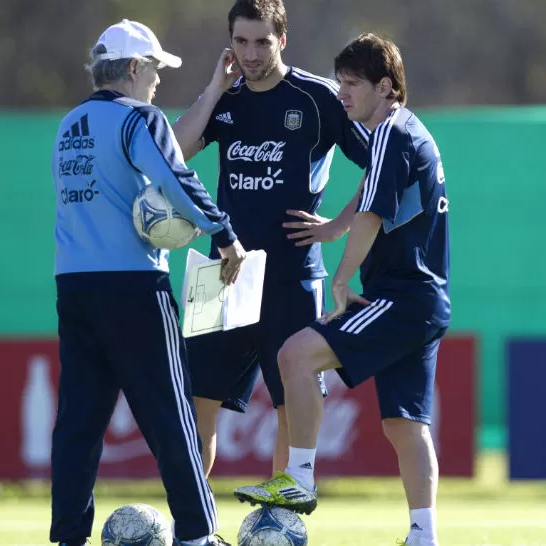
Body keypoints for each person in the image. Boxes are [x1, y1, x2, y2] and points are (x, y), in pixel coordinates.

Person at [233, 33, 451, 546]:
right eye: (339, 84)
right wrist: (332, 228)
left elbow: (375, 212)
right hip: (424, 300)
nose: (342, 94)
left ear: (385, 86)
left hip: (401, 297)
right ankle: (424, 536)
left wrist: (340, 277)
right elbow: (372, 192)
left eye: (352, 85)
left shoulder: (393, 133)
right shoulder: (398, 133)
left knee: (295, 357)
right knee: (405, 425)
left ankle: (300, 479)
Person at [50, 19, 247, 546]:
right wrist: (223, 232)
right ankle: (198, 534)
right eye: (155, 69)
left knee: (78, 425)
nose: (158, 81)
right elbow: (176, 177)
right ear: (134, 68)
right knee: (169, 414)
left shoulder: (70, 124)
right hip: (134, 287)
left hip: (73, 287)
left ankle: (68, 536)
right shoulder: (140, 118)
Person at [172, 0, 370, 478]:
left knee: (290, 405)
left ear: (282, 40)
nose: (251, 53)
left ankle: (280, 522)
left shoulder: (318, 99)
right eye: (241, 41)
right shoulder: (227, 98)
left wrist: (337, 226)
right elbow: (171, 154)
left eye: (262, 41)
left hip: (292, 278)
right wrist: (216, 87)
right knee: (198, 406)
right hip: (225, 273)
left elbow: (384, 166)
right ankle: (195, 527)